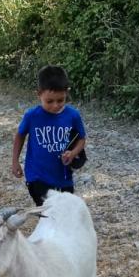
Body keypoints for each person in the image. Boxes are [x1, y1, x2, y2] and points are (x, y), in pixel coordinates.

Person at [11, 65, 88, 206]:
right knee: (48, 212)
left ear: (67, 92)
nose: (55, 105)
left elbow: (81, 139)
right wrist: (15, 161)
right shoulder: (32, 116)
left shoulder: (72, 115)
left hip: (63, 177)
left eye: (60, 100)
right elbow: (20, 136)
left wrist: (73, 153)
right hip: (37, 176)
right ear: (39, 94)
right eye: (49, 101)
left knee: (64, 211)